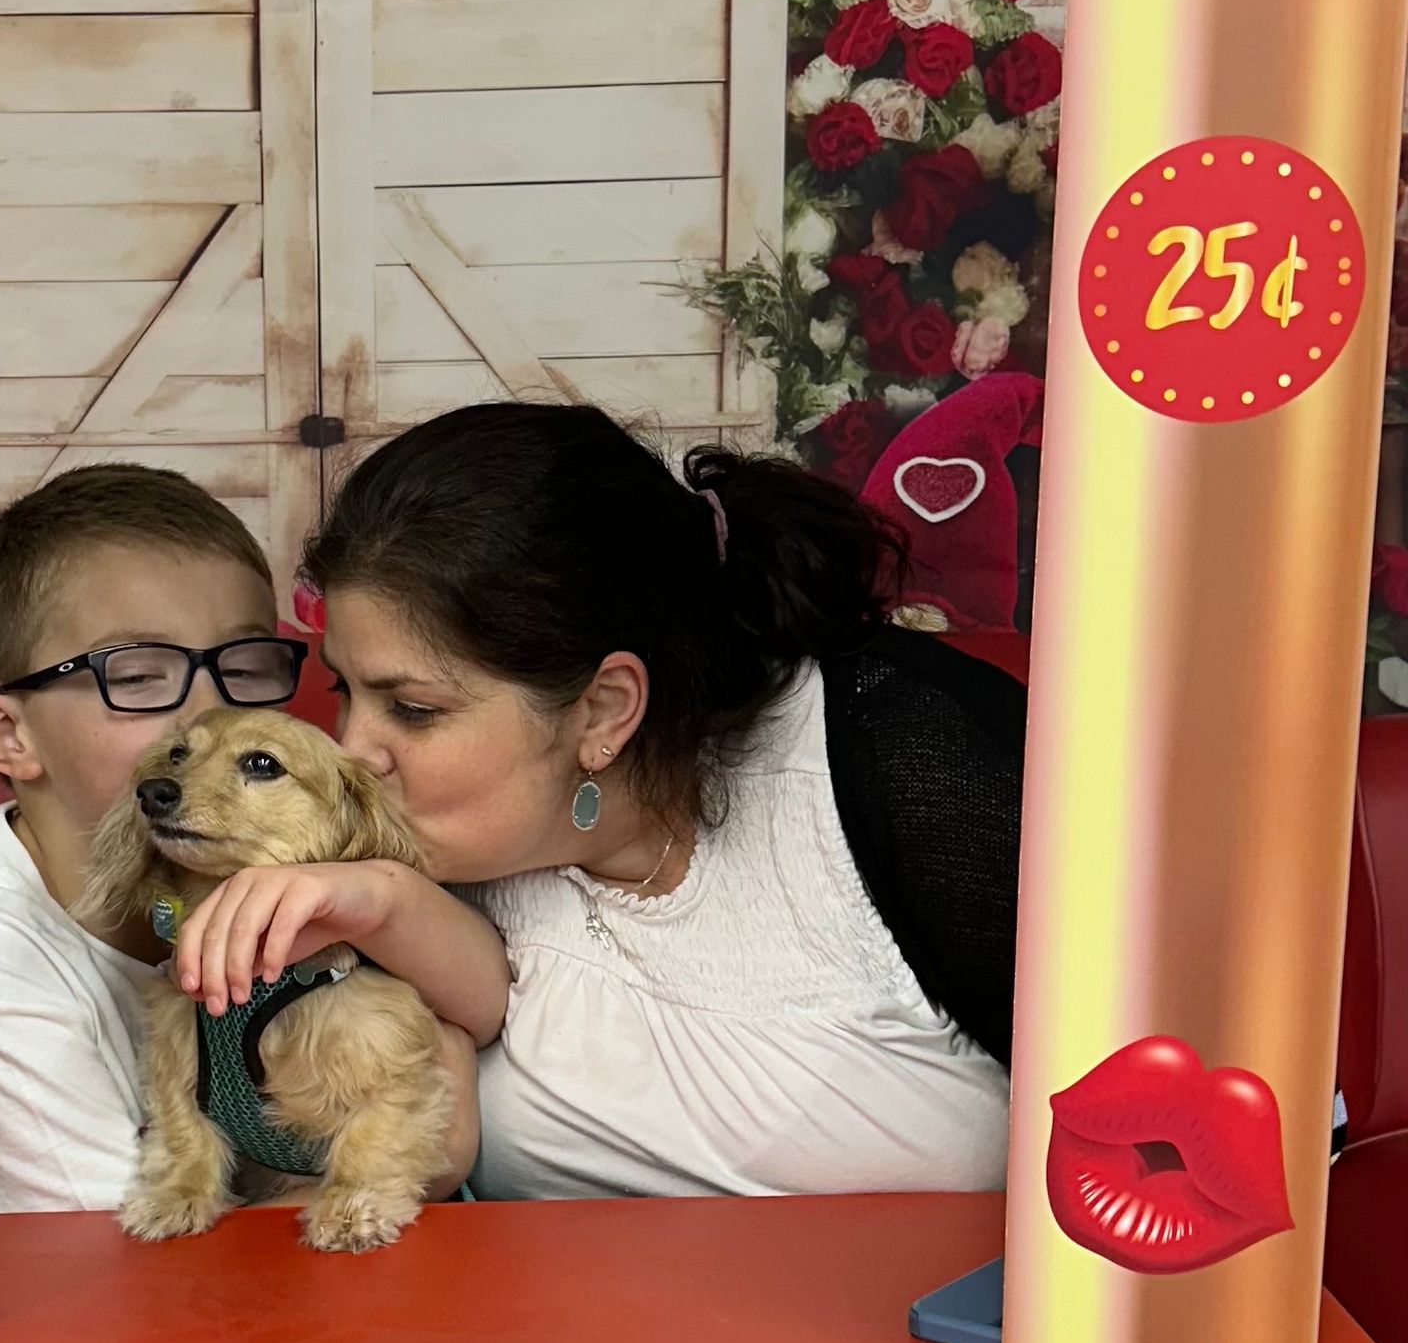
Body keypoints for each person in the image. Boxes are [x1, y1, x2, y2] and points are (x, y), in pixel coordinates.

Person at [170, 402, 1023, 1204]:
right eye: (342, 689)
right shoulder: (367, 859)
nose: (353, 747)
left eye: (414, 709)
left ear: (605, 709)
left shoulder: (910, 765)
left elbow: (1137, 1118)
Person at [0, 463, 482, 1219]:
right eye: (137, 673)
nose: (210, 715)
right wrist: (422, 1162)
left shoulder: (291, 866)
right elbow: (129, 1300)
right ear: (10, 733)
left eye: (246, 664)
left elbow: (482, 999)